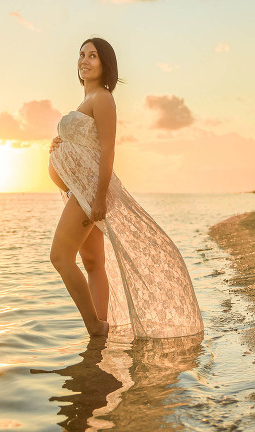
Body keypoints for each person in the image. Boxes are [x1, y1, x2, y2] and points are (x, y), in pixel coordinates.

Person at [48, 37, 203, 339]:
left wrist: (99, 198)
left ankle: (93, 325)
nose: (85, 60)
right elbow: (86, 146)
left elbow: (107, 151)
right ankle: (101, 331)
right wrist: (58, 146)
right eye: (81, 55)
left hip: (89, 193)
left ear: (105, 64)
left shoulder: (102, 98)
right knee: (93, 262)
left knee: (59, 257)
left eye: (93, 56)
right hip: (79, 191)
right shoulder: (85, 101)